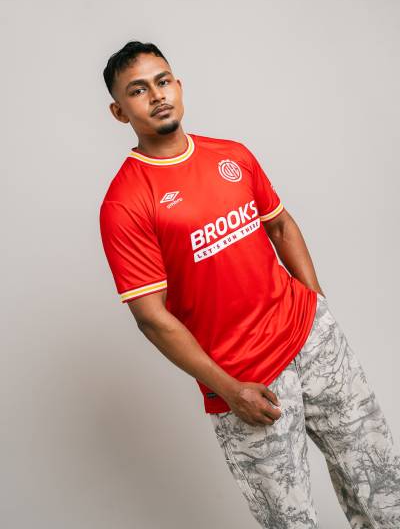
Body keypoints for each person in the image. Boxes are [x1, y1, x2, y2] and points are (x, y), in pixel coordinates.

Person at [99, 40, 400, 528]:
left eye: (162, 81)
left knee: (381, 480)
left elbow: (279, 225)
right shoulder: (126, 203)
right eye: (138, 90)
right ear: (119, 111)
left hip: (311, 338)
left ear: (178, 86)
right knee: (289, 519)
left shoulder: (232, 155)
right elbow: (152, 318)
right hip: (247, 379)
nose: (156, 96)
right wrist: (229, 389)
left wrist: (315, 305)